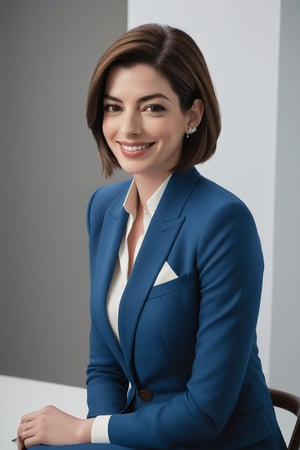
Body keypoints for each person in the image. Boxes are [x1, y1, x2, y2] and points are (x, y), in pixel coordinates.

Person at [17, 23, 287, 450]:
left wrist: (85, 432)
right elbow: (105, 366)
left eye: (153, 108)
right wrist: (100, 440)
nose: (128, 128)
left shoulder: (223, 222)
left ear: (192, 115)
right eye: (113, 107)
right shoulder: (103, 209)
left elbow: (205, 412)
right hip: (139, 438)